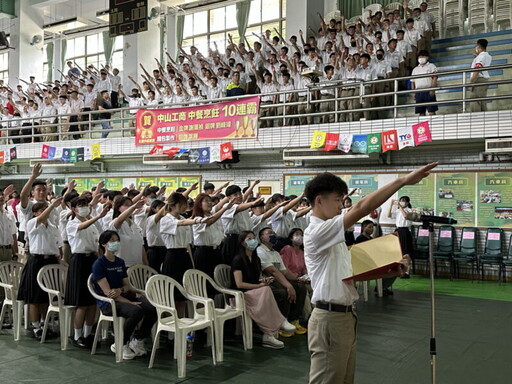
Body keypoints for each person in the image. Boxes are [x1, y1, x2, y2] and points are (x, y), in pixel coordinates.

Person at [304, 163, 437, 384]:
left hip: (346, 316)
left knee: (344, 379)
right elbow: (360, 209)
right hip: (329, 319)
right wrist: (401, 181)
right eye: (337, 200)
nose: (341, 206)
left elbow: (346, 277)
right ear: (319, 200)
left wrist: (388, 270)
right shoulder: (316, 232)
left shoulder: (331, 233)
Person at [92, 230, 157, 360]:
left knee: (152, 308)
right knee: (136, 311)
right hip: (108, 303)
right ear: (104, 244)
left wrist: (121, 290)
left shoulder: (120, 262)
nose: (115, 243)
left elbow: (127, 285)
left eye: (117, 240)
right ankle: (121, 344)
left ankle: (137, 339)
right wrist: (129, 303)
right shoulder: (99, 264)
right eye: (112, 241)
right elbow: (108, 293)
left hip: (123, 296)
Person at [231, 231, 297, 349]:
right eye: (249, 238)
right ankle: (277, 326)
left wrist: (264, 280)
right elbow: (239, 284)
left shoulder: (256, 259)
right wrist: (260, 286)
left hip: (256, 293)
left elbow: (257, 278)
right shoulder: (238, 260)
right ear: (242, 243)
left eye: (253, 237)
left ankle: (269, 334)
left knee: (267, 289)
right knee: (266, 290)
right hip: (241, 295)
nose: (252, 241)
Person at [65, 196, 110, 349]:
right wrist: (98, 216)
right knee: (81, 302)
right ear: (73, 209)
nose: (84, 207)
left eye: (86, 204)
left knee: (92, 301)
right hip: (79, 262)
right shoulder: (72, 224)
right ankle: (77, 336)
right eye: (80, 205)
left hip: (92, 260)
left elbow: (97, 244)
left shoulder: (93, 226)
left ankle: (87, 334)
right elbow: (81, 227)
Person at [17, 197, 63, 339]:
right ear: (36, 213)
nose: (45, 212)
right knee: (34, 297)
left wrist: (59, 260)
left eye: (46, 209)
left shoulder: (54, 227)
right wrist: (52, 205)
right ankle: (36, 326)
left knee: (46, 297)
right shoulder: (32, 223)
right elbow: (42, 217)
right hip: (36, 262)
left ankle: (44, 324)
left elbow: (57, 247)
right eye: (42, 210)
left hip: (50, 262)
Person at [257, 227, 307, 337]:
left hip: (279, 280)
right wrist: (288, 286)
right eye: (269, 234)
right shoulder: (260, 251)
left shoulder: (275, 253)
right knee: (283, 292)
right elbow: (273, 271)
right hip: (267, 282)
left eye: (274, 233)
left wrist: (297, 279)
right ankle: (280, 323)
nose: (273, 235)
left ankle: (294, 320)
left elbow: (284, 271)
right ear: (262, 238)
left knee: (300, 287)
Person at [354, 220, 396, 296]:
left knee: (394, 268)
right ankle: (381, 288)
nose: (372, 229)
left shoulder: (371, 238)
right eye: (369, 227)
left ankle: (383, 287)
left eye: (372, 227)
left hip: (374, 261)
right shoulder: (359, 239)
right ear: (363, 228)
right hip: (365, 264)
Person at [388, 195, 414, 278]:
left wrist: (399, 206)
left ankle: (407, 271)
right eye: (400, 200)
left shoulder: (410, 210)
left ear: (407, 202)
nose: (401, 202)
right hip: (398, 230)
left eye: (403, 200)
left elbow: (406, 216)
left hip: (405, 231)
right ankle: (400, 270)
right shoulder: (398, 210)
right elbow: (389, 215)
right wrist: (391, 205)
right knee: (399, 251)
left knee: (406, 251)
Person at [411, 50, 438, 116]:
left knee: (431, 111)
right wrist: (413, 92)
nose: (421, 58)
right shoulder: (415, 69)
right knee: (421, 113)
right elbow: (412, 82)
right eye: (420, 56)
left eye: (423, 56)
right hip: (419, 92)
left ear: (427, 57)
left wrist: (432, 89)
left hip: (428, 90)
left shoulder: (431, 66)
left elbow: (435, 77)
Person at [469, 38, 492, 112]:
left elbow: (478, 68)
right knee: (482, 101)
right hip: (484, 80)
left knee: (475, 100)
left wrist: (472, 81)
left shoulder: (481, 56)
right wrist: (477, 56)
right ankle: (484, 119)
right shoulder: (487, 56)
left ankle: (476, 119)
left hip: (478, 80)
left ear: (479, 46)